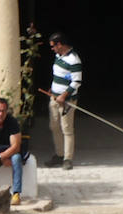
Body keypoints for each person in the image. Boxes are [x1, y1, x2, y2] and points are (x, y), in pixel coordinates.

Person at [46, 31, 81, 170]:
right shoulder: (58, 56)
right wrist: (53, 89)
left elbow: (76, 81)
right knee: (54, 126)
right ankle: (59, 154)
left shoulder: (74, 60)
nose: (52, 49)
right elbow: (58, 75)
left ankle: (67, 158)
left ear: (60, 44)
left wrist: (64, 95)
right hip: (54, 98)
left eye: (53, 46)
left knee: (67, 129)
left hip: (67, 101)